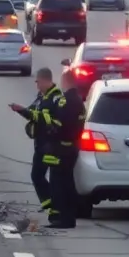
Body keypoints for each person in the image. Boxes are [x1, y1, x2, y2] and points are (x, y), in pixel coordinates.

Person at [8, 67, 61, 216]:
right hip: (40, 144)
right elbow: (32, 112)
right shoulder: (41, 96)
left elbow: (43, 119)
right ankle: (49, 204)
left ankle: (54, 206)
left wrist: (22, 110)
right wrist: (20, 110)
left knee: (40, 175)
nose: (37, 85)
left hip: (49, 145)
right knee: (37, 176)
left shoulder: (56, 98)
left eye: (38, 82)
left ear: (45, 80)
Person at [46, 70, 86, 228]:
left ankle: (62, 218)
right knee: (68, 181)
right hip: (74, 146)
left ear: (66, 82)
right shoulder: (79, 101)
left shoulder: (65, 101)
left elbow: (59, 124)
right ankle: (69, 217)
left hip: (62, 147)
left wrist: (49, 130)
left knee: (59, 182)